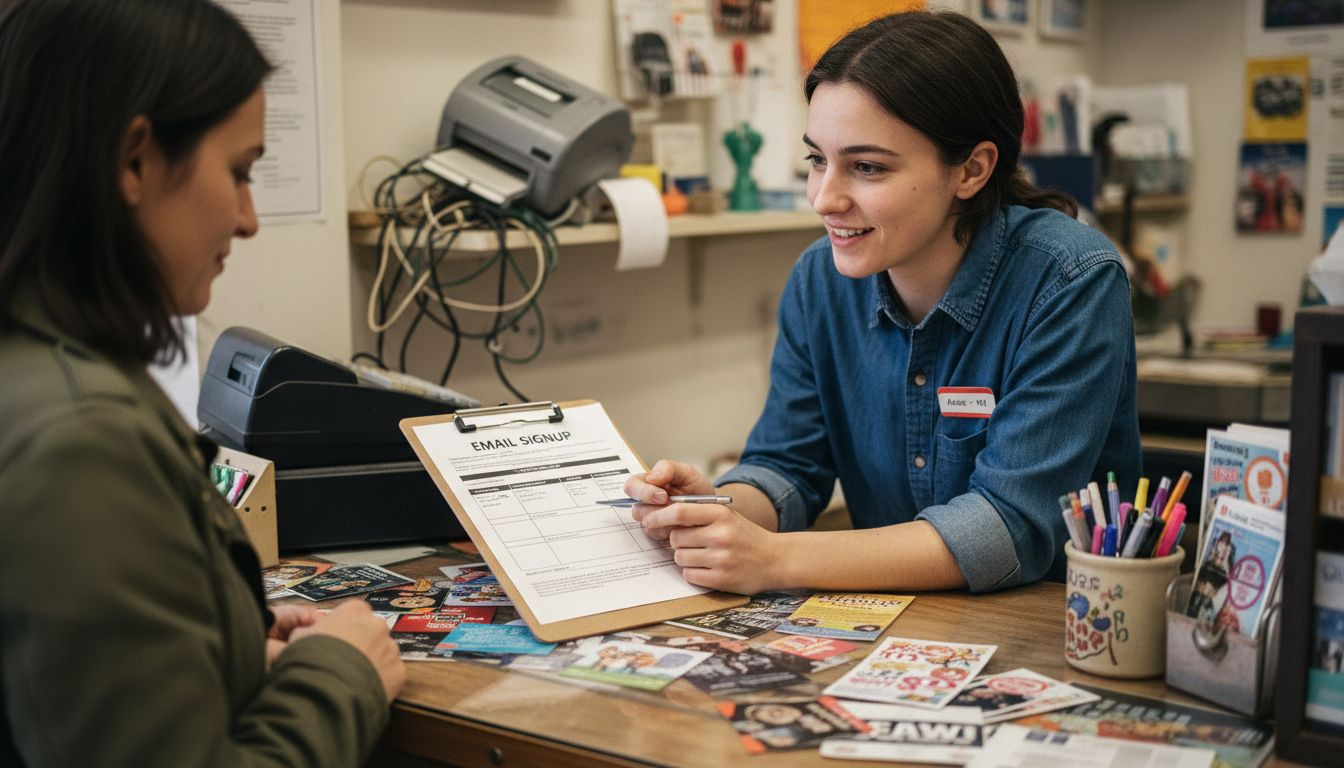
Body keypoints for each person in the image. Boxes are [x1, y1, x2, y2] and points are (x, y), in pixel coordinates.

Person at [0, 1, 403, 764]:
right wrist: (342, 673)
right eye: (238, 172)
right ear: (134, 160)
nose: (249, 219)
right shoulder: (78, 440)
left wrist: (226, 643)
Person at [625, 10, 1139, 595]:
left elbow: (1008, 525)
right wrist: (715, 509)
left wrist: (773, 558)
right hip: (895, 624)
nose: (824, 198)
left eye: (867, 167)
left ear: (971, 169)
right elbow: (788, 466)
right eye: (817, 160)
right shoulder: (820, 279)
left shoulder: (1070, 280)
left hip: (1053, 627)